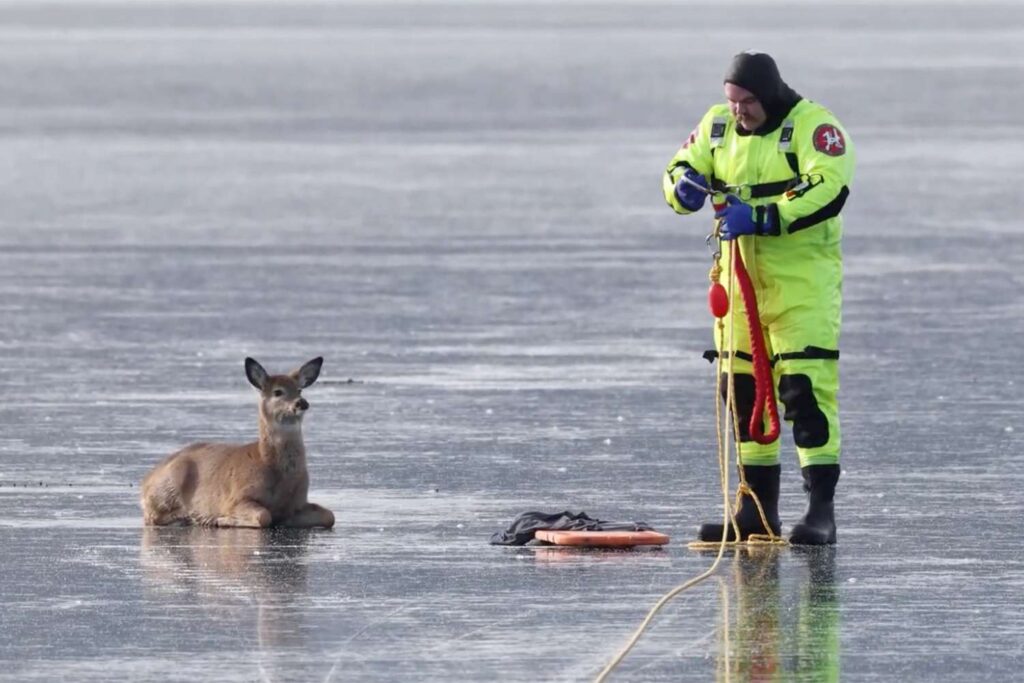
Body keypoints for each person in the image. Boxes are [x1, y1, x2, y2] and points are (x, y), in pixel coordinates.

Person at [662, 51, 855, 545]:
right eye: (731, 101)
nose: (737, 111)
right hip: (738, 277)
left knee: (804, 393)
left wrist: (768, 214)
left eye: (746, 102)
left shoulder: (815, 128)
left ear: (767, 96)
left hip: (800, 283)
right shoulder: (719, 124)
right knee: (742, 391)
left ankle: (820, 512)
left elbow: (828, 187)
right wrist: (679, 187)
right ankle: (754, 509)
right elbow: (682, 162)